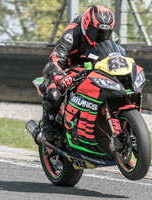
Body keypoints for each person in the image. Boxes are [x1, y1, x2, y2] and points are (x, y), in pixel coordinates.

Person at [41, 5, 118, 142]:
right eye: (96, 32)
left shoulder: (112, 38)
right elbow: (55, 60)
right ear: (86, 25)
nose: (100, 37)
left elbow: (118, 57)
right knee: (55, 93)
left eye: (104, 33)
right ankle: (48, 124)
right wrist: (61, 76)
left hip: (91, 67)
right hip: (66, 68)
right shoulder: (71, 35)